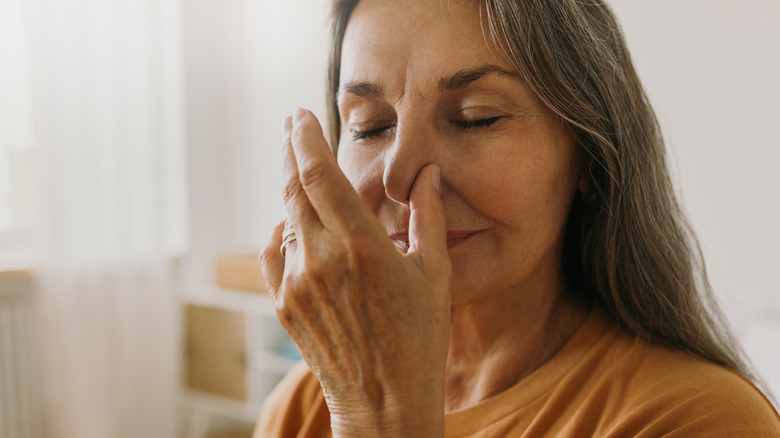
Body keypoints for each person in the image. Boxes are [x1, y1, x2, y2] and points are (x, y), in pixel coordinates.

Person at [256, 0, 780, 436]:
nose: (397, 177)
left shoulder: (699, 420)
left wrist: (379, 420)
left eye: (476, 118)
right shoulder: (302, 409)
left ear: (589, 154)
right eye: (369, 128)